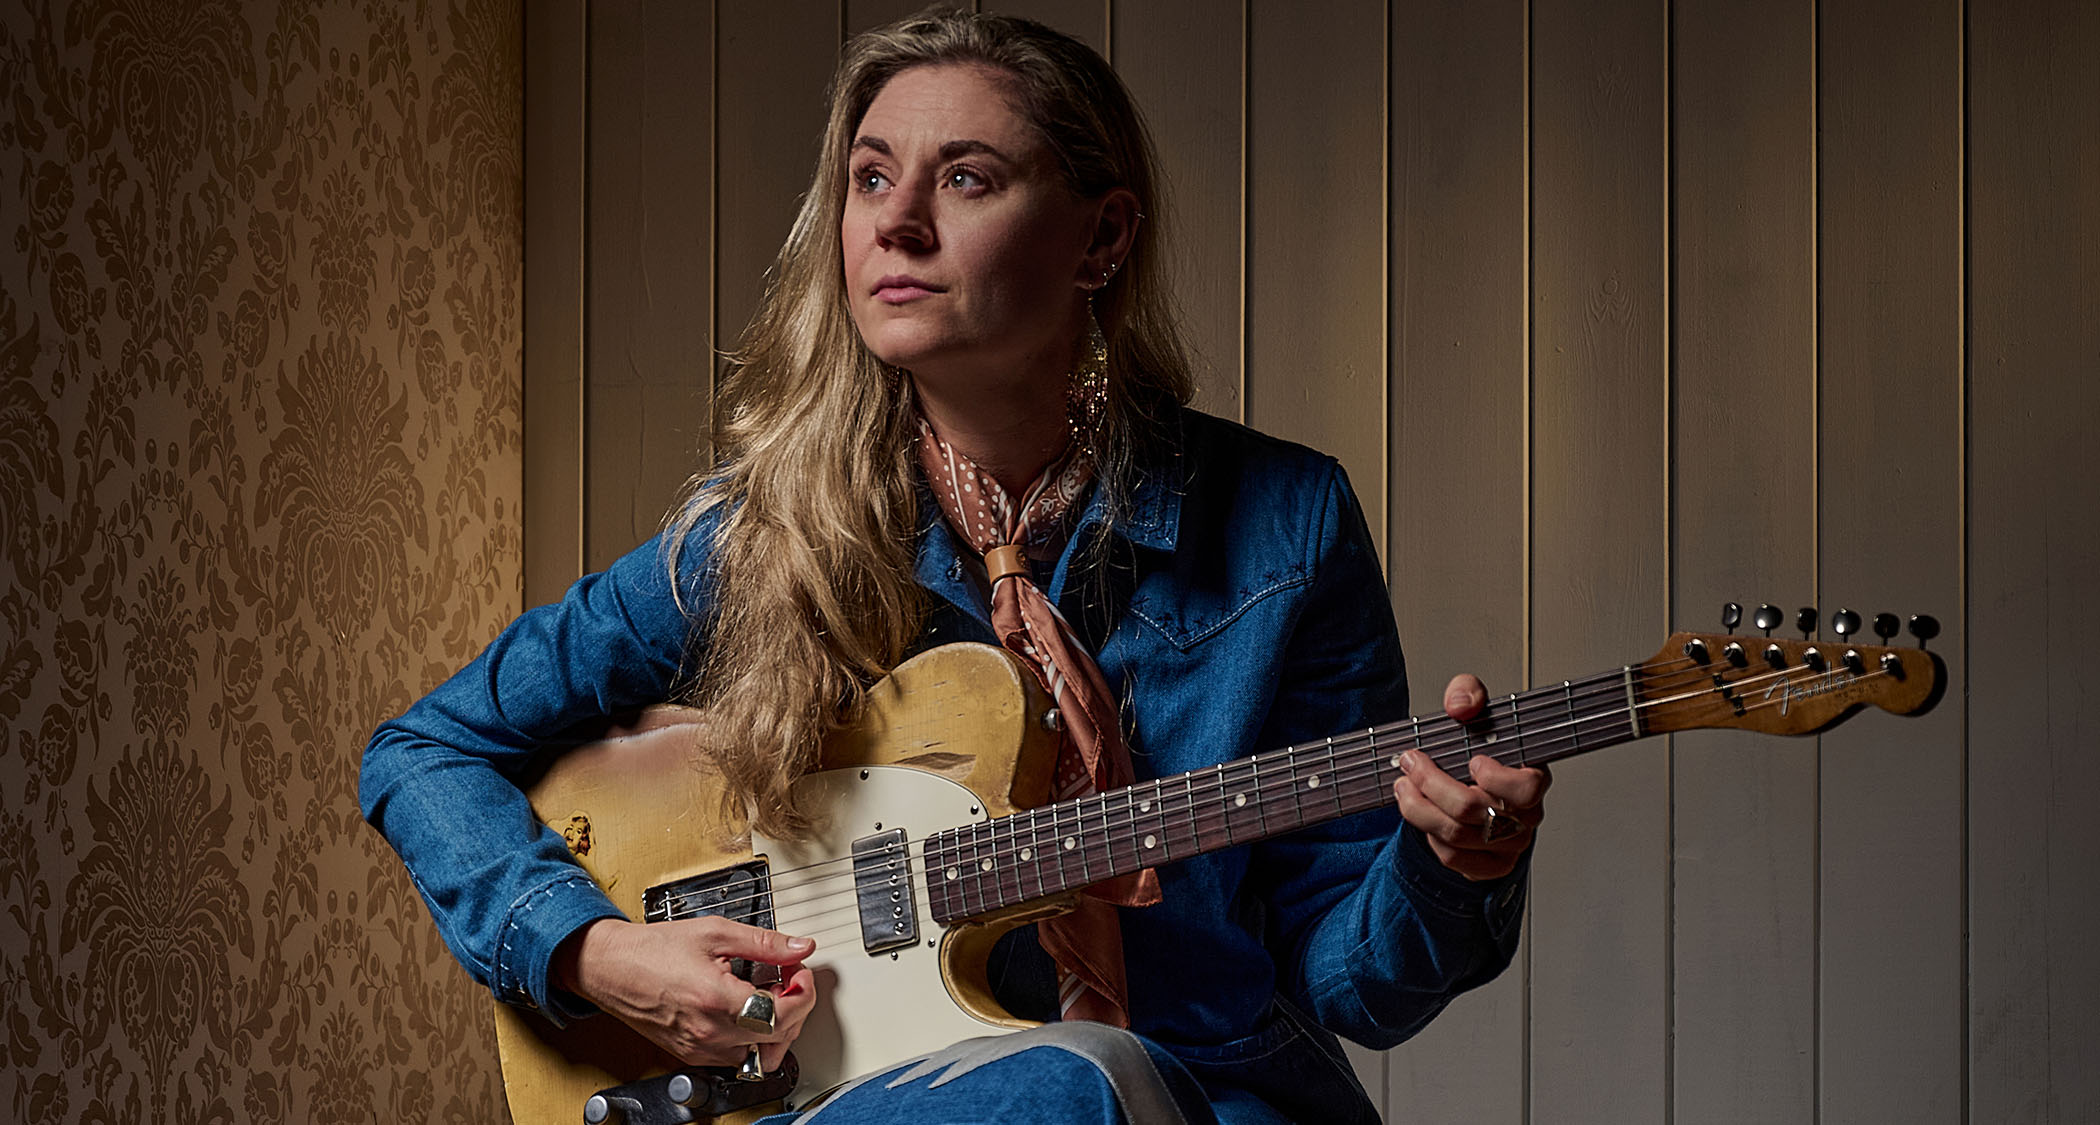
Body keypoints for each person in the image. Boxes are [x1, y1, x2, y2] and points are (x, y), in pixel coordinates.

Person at [361, 11, 1549, 1124]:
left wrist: (1450, 870)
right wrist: (594, 952)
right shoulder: (762, 538)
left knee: (1083, 1085)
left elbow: (1354, 985)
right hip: (838, 1101)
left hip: (1200, 1099)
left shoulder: (1285, 526)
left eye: (966, 178)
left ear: (1104, 238)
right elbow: (423, 748)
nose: (898, 220)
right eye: (871, 177)